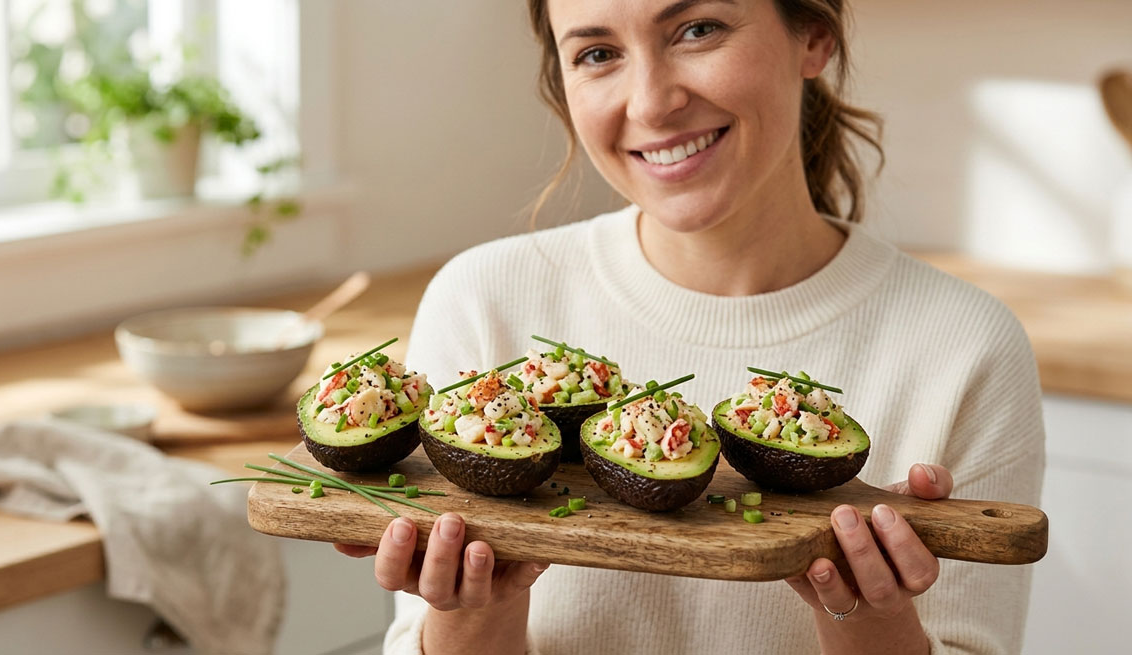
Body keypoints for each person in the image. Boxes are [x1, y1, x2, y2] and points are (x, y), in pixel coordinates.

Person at [336, 1, 1046, 653]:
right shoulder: (484, 300)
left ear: (815, 33)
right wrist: (475, 610)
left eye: (697, 29)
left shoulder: (966, 344)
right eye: (596, 53)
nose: (650, 102)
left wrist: (875, 619)